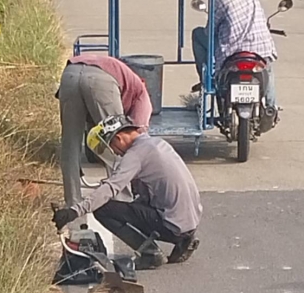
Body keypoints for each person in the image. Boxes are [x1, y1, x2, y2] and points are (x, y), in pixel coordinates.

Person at [52, 115, 201, 268]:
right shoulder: (157, 143)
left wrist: (75, 211)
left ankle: (150, 254)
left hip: (171, 225)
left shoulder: (136, 154)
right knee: (132, 203)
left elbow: (111, 188)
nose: (116, 153)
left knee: (103, 209)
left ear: (119, 138)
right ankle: (184, 240)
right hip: (189, 222)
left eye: (112, 147)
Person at [57, 54, 152, 209]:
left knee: (70, 144)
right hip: (101, 80)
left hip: (70, 74)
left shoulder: (127, 80)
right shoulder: (141, 94)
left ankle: (72, 204)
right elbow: (137, 141)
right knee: (117, 142)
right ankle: (123, 203)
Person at [191, 0, 278, 109]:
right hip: (260, 48)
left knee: (197, 34)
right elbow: (261, 18)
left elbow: (210, 30)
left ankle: (207, 80)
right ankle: (272, 107)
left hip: (233, 51)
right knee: (267, 67)